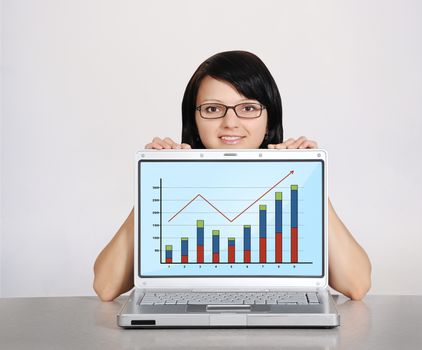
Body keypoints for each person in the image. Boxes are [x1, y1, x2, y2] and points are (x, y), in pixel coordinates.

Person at [93, 51, 372, 302]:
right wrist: (151, 179)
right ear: (195, 119)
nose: (230, 122)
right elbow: (105, 287)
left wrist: (311, 177)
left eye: (248, 108)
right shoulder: (172, 182)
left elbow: (356, 285)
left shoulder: (293, 181)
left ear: (268, 120)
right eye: (213, 109)